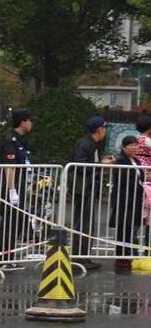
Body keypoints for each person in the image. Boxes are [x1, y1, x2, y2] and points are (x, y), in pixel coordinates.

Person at [68, 116, 112, 270]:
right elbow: (80, 166)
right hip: (82, 188)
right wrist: (101, 163)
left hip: (89, 187)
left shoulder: (96, 144)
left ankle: (85, 256)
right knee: (83, 222)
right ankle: (79, 258)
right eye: (105, 128)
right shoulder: (85, 143)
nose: (106, 131)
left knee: (88, 222)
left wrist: (103, 161)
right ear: (99, 129)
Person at [0, 109, 34, 266]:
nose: (32, 124)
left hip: (21, 185)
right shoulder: (11, 140)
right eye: (30, 120)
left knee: (18, 222)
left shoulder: (21, 140)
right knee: (9, 223)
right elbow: (9, 167)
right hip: (12, 186)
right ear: (22, 122)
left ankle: (10, 256)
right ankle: (4, 258)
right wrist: (12, 190)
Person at [110, 134, 146, 271]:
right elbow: (125, 181)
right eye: (130, 145)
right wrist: (140, 186)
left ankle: (130, 255)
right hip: (124, 200)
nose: (134, 147)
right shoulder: (121, 161)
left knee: (132, 227)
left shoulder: (137, 161)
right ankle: (121, 258)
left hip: (136, 200)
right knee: (123, 227)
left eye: (136, 144)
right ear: (123, 147)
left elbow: (140, 178)